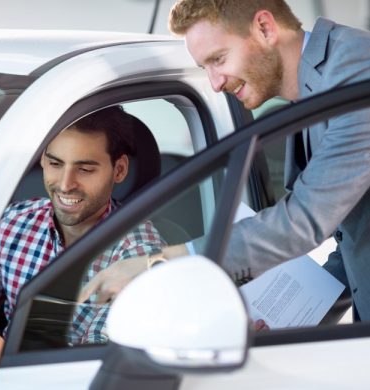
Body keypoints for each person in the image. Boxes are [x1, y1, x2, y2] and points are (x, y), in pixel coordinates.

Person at [80, 0, 370, 323]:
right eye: (205, 68)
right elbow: (356, 240)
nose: (216, 84)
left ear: (265, 28)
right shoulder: (318, 84)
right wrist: (288, 322)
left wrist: (161, 265)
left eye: (218, 59)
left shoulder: (357, 71)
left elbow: (305, 220)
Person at [0, 105, 165, 347]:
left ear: (119, 170)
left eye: (84, 169)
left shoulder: (137, 253)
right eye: (55, 164)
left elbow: (94, 362)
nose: (65, 185)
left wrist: (0, 356)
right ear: (43, 159)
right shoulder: (13, 222)